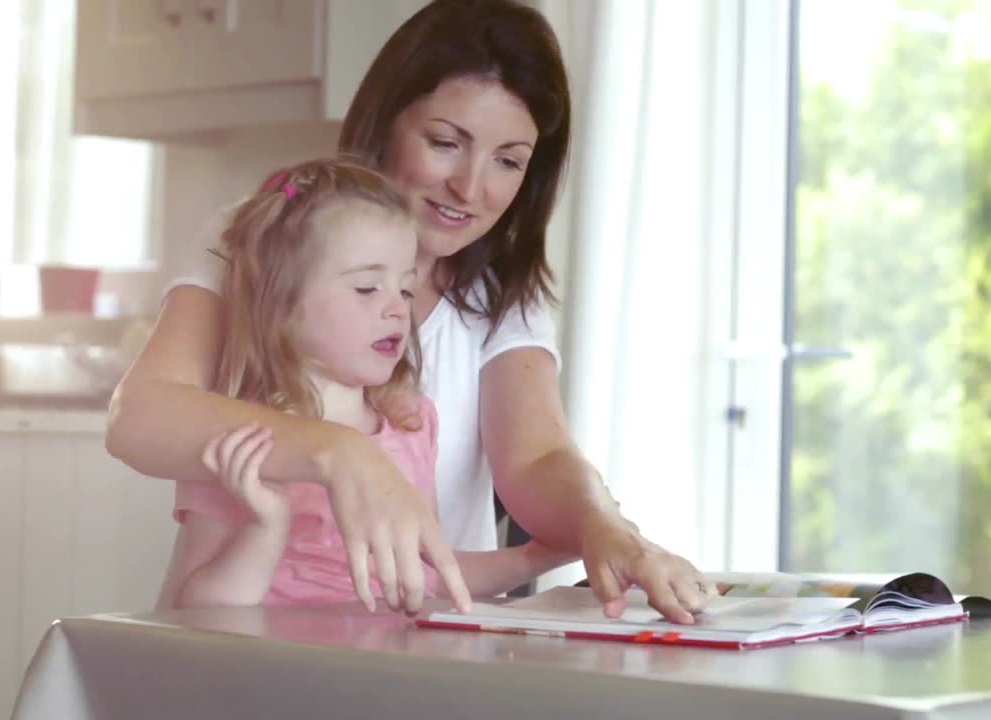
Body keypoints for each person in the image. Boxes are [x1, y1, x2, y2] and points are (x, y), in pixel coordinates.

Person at [108, 0, 715, 623]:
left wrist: (605, 525)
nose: (470, 188)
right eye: (446, 143)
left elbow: (536, 458)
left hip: (424, 650)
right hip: (237, 649)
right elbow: (141, 418)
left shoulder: (501, 292)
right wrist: (339, 452)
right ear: (384, 123)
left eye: (508, 160)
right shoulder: (264, 238)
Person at [160, 159, 573, 609]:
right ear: (282, 301)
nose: (398, 309)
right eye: (367, 288)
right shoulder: (241, 434)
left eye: (406, 290)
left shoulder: (411, 423)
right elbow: (196, 607)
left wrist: (540, 556)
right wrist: (267, 528)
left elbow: (430, 574)